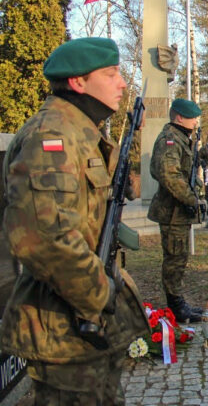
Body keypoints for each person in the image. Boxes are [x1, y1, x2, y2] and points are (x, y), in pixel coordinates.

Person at [0, 38, 149, 403]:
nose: (122, 83)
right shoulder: (52, 137)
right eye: (111, 73)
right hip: (63, 329)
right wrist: (100, 293)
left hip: (81, 326)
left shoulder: (80, 132)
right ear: (79, 83)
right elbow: (42, 237)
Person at [148, 97, 207, 323]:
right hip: (173, 210)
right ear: (179, 117)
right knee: (174, 258)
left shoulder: (182, 139)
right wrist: (191, 199)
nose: (196, 121)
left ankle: (177, 301)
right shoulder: (170, 139)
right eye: (193, 117)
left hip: (179, 211)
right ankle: (174, 305)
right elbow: (168, 174)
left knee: (179, 257)